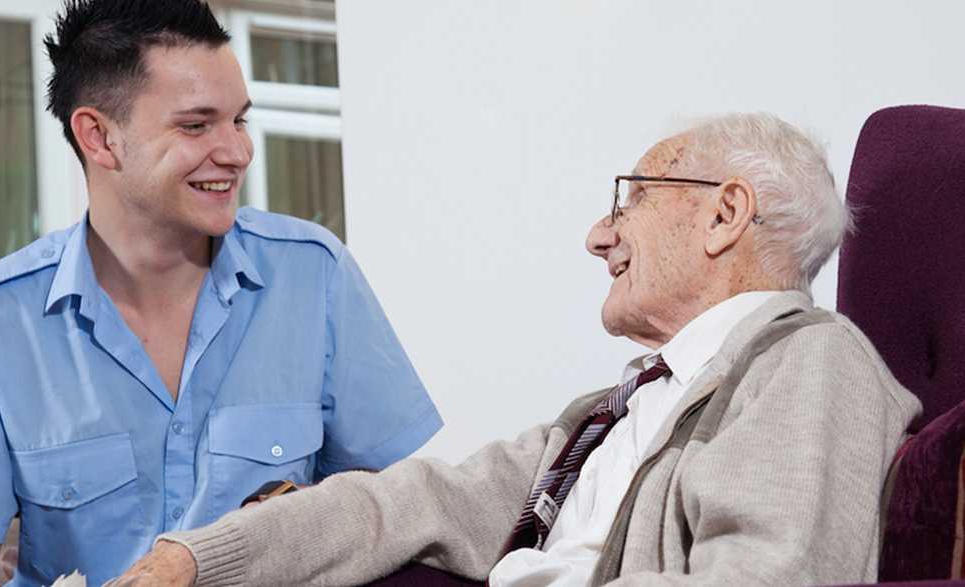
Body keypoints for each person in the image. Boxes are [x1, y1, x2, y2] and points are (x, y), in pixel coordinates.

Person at [115, 112, 920, 587]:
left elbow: (767, 576)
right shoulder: (611, 414)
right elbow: (408, 503)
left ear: (724, 215)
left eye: (630, 198)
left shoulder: (810, 362)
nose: (599, 234)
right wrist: (194, 559)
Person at [0, 1, 442, 585]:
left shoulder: (315, 276)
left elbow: (388, 522)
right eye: (196, 125)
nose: (237, 151)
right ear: (99, 138)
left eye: (239, 120)